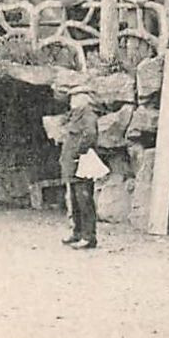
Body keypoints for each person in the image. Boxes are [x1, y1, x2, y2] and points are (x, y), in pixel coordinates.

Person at [58, 92, 102, 249]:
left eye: (75, 97)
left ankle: (88, 237)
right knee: (75, 200)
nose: (71, 100)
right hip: (72, 165)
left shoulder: (88, 114)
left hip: (81, 164)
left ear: (83, 100)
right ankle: (77, 233)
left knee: (84, 200)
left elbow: (90, 135)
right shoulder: (75, 115)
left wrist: (79, 152)